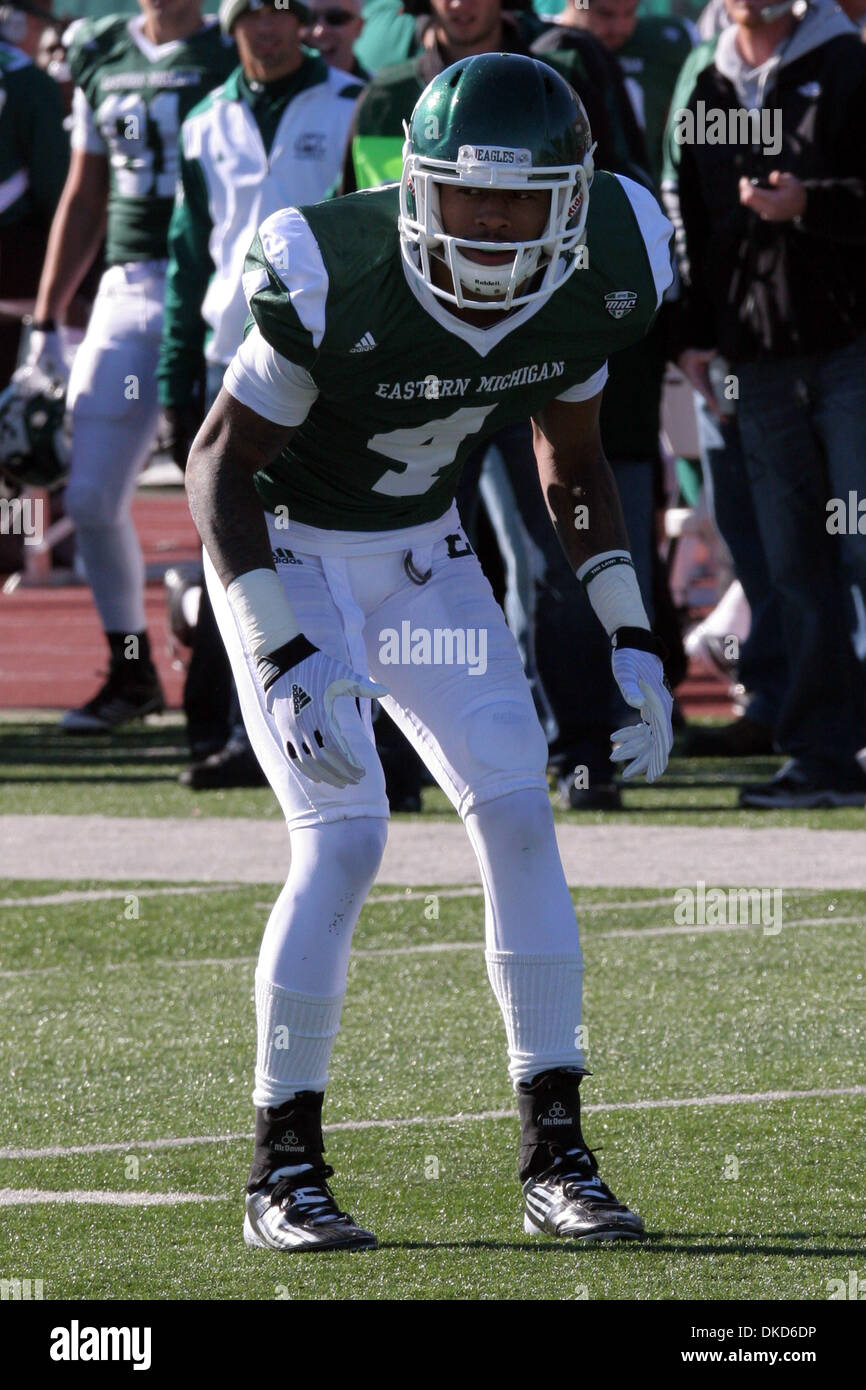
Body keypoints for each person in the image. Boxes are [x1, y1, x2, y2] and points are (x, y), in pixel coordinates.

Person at [186, 53, 675, 1249]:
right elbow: (215, 464)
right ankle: (279, 1168)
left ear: (574, 196)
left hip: (420, 557)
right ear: (416, 186)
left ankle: (555, 1153)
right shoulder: (330, 268)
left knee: (517, 812)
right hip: (290, 550)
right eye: (467, 195)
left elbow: (570, 460)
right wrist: (277, 644)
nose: (494, 224)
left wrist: (627, 628)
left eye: (520, 198)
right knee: (346, 835)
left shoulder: (609, 263)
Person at [665, 0, 866, 807]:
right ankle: (820, 755)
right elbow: (692, 221)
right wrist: (693, 337)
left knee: (859, 548)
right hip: (757, 364)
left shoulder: (850, 68)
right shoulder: (708, 90)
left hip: (853, 351)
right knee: (793, 566)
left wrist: (811, 204)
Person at [157, 0, 362, 786]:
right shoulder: (204, 117)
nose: (269, 30)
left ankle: (346, 721)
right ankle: (234, 729)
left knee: (323, 551)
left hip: (325, 362)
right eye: (252, 17)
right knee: (228, 548)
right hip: (227, 358)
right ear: (230, 25)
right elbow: (187, 259)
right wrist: (177, 376)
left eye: (282, 13)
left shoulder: (353, 101)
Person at [29, 0, 236, 733]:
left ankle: (234, 675)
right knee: (88, 497)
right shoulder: (102, 49)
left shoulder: (232, 45)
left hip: (215, 282)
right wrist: (47, 320)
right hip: (127, 286)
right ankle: (131, 666)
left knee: (231, 494)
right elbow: (84, 195)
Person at [303, 0, 367, 77]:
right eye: (310, 18)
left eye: (336, 18)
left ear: (359, 27)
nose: (319, 32)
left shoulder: (376, 86)